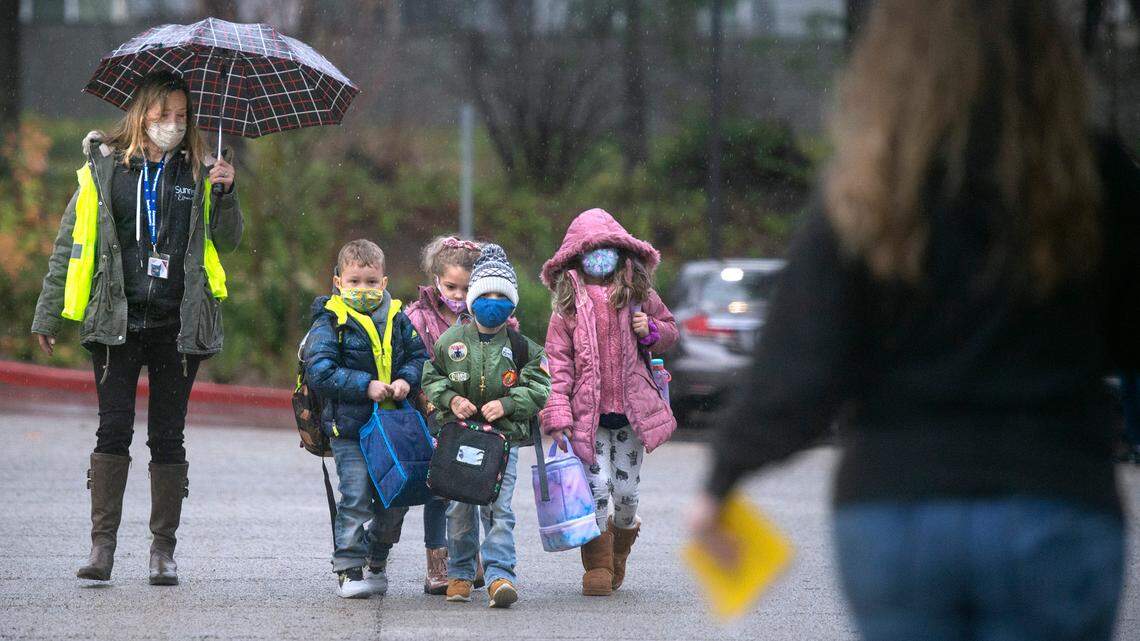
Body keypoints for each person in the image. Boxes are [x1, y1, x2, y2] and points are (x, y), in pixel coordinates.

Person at [690, 2, 1140, 640]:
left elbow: (803, 365)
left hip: (898, 507)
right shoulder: (1094, 174)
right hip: (1053, 495)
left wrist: (723, 479)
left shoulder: (869, 184)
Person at [30, 71, 243, 586]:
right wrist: (48, 310)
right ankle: (102, 547)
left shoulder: (201, 171)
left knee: (168, 437)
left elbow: (229, 242)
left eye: (180, 115)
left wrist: (226, 195)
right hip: (114, 320)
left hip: (177, 323)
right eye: (161, 113)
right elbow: (70, 244)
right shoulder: (105, 169)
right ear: (140, 112)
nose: (172, 124)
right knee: (112, 429)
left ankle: (163, 551)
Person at [539, 208, 678, 597]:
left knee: (627, 494)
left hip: (631, 415)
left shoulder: (640, 295)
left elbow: (670, 330)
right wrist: (559, 414)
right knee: (597, 488)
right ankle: (598, 565)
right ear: (574, 257)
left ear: (621, 251)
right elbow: (558, 366)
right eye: (591, 250)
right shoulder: (568, 307)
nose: (600, 256)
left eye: (607, 248)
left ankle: (619, 553)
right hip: (590, 416)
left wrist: (650, 330)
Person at [420, 244, 551, 609]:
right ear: (473, 297)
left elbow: (540, 387)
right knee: (459, 508)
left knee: (499, 510)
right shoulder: (451, 342)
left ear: (512, 303)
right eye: (486, 294)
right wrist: (449, 400)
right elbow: (431, 378)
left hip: (503, 445)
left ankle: (500, 576)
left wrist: (509, 403)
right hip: (458, 440)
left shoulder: (524, 349)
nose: (493, 302)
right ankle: (461, 574)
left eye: (501, 295)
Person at [301, 239, 428, 598]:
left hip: (393, 429)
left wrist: (406, 380)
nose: (362, 289)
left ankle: (377, 557)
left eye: (370, 282)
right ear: (338, 281)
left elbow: (418, 357)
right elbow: (320, 371)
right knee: (355, 496)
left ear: (384, 283)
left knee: (396, 497)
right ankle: (348, 568)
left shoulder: (399, 319)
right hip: (351, 430)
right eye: (354, 281)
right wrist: (364, 386)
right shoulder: (330, 320)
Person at [385, 235, 485, 595]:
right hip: (432, 415)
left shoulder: (485, 315)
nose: (458, 296)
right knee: (440, 490)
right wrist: (430, 397)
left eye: (466, 288)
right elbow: (409, 363)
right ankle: (438, 559)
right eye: (451, 287)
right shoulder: (418, 317)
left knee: (475, 483)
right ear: (436, 279)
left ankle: (467, 555)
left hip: (476, 415)